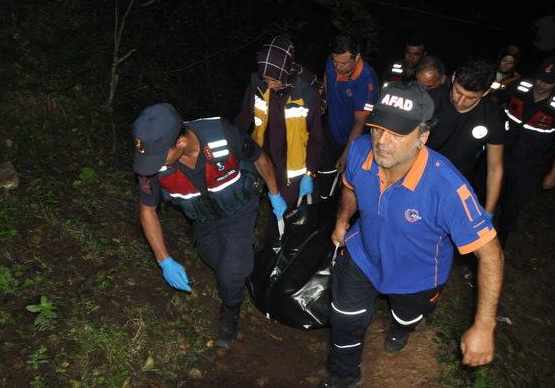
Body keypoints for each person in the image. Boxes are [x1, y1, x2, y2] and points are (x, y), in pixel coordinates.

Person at [318, 82, 504, 388]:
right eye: (378, 128)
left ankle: (401, 328)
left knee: (405, 317)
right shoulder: (361, 150)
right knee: (344, 320)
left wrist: (484, 326)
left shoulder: (447, 188)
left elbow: (491, 253)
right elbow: (350, 188)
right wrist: (342, 222)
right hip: (362, 254)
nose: (382, 141)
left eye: (397, 133)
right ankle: (343, 375)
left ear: (423, 136)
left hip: (416, 275)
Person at [133, 103, 286, 350]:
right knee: (213, 258)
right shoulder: (151, 164)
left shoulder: (224, 135)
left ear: (180, 143)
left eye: (157, 156)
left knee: (230, 272)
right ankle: (240, 267)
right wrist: (164, 260)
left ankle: (231, 309)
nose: (149, 165)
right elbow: (147, 210)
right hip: (203, 219)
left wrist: (274, 192)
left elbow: (259, 157)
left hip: (239, 210)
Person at [234, 36, 323, 210]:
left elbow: (317, 137)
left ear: (285, 72)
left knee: (285, 209)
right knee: (248, 200)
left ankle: (279, 235)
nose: (269, 85)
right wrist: (234, 145)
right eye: (265, 79)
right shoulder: (257, 83)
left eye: (274, 80)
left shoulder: (306, 92)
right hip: (261, 156)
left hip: (291, 165)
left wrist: (309, 172)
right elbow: (244, 117)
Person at [497, 57, 555, 245]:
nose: (541, 83)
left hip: (527, 165)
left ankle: (501, 242)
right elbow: (494, 99)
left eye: (549, 80)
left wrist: (553, 174)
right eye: (540, 77)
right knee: (481, 195)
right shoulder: (521, 86)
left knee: (512, 205)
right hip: (500, 154)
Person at [425, 57, 506, 218]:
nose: (460, 101)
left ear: (486, 92)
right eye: (457, 91)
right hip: (419, 175)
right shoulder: (429, 101)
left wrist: (488, 212)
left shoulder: (492, 117)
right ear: (453, 78)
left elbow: (495, 167)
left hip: (456, 184)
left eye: (470, 98)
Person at [317, 35, 379, 199]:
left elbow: (360, 122)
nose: (337, 67)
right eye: (335, 61)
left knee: (351, 185)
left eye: (343, 63)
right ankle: (324, 203)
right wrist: (323, 98)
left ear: (357, 57)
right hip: (332, 127)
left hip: (356, 140)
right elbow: (326, 77)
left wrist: (346, 155)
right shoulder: (332, 62)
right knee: (324, 172)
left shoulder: (366, 81)